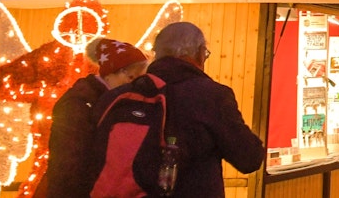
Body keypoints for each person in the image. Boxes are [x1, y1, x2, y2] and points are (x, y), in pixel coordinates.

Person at [97, 22, 262, 198]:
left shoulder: (117, 97)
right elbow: (249, 159)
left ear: (157, 54)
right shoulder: (211, 96)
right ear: (199, 54)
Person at [41, 38, 147, 198]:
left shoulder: (108, 100)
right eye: (131, 77)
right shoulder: (79, 103)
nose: (132, 85)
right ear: (111, 73)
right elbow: (67, 163)